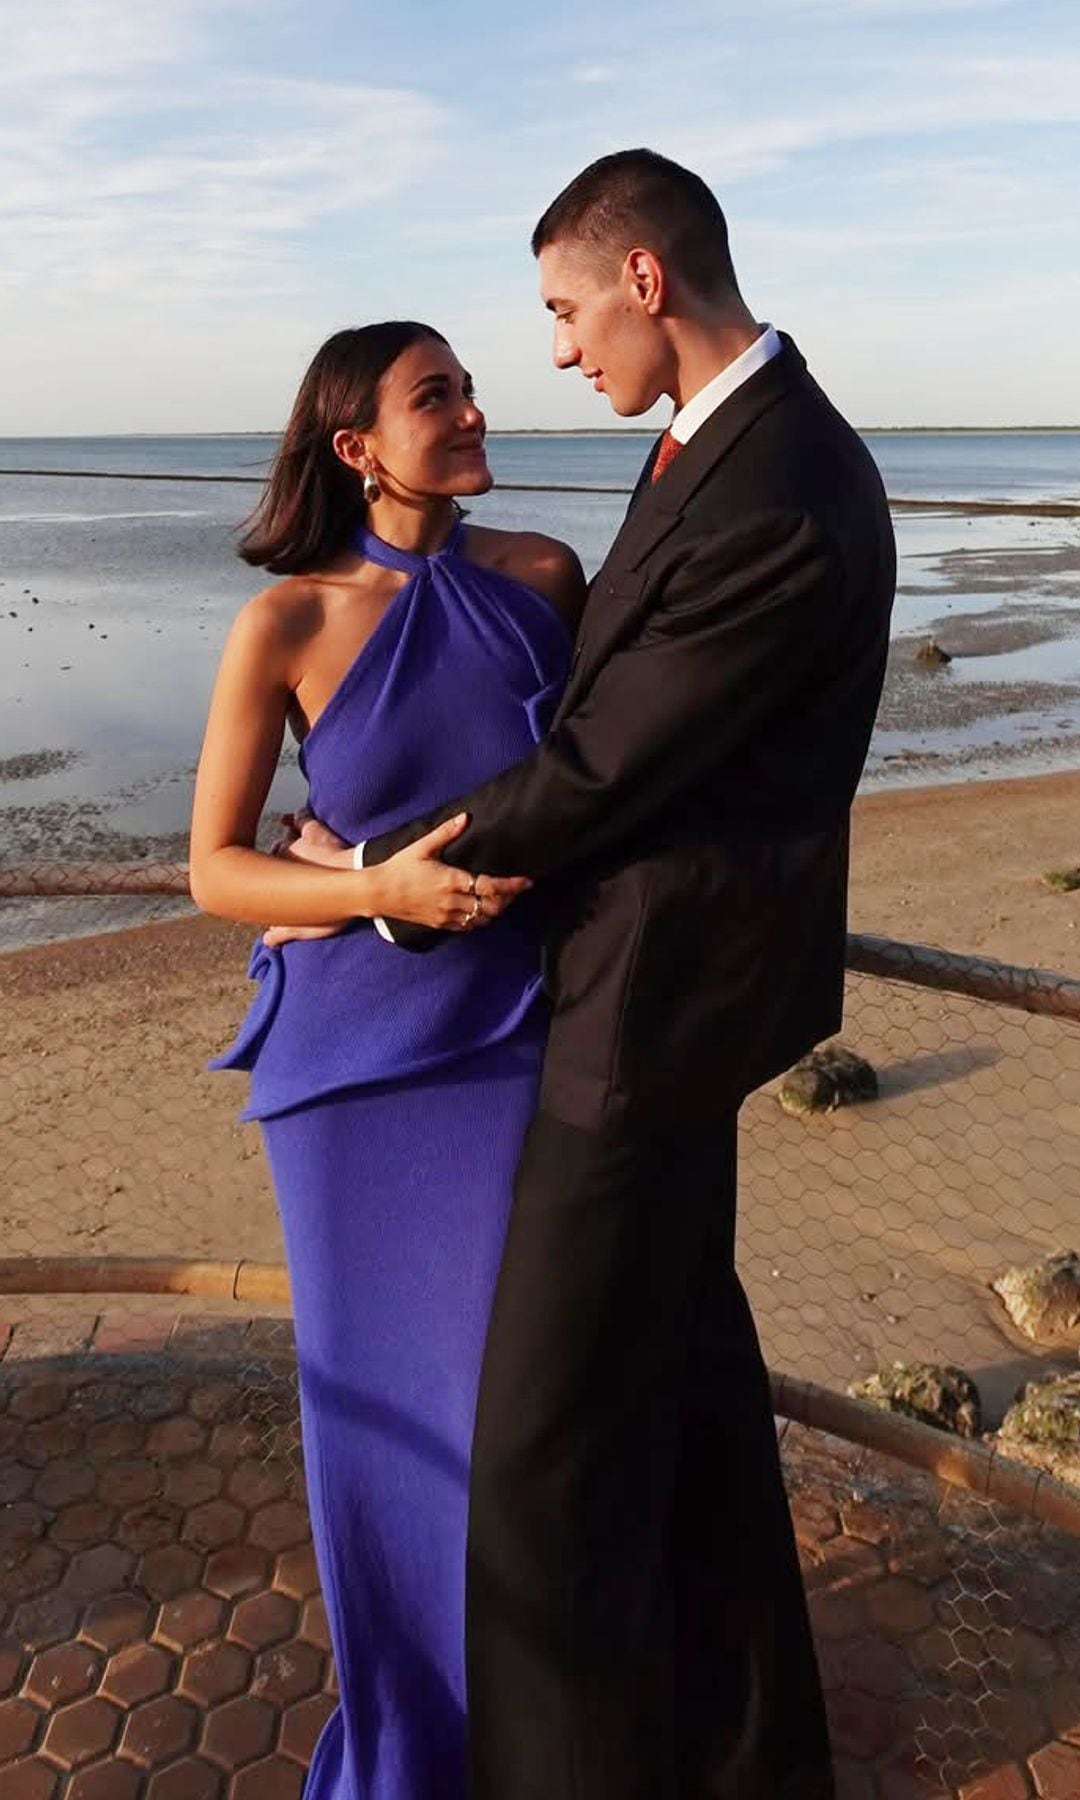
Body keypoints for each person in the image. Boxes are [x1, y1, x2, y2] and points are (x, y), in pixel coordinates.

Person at [288, 150, 897, 1797]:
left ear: (643, 282)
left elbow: (598, 769)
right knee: (696, 1418)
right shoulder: (723, 445)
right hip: (660, 1003)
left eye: (563, 312)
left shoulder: (779, 482)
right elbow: (592, 731)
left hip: (646, 1021)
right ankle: (762, 1761)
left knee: (537, 1472)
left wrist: (381, 887)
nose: (555, 356)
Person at [188, 319, 585, 1800]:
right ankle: (413, 1752)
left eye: (470, 388)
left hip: (511, 1052)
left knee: (511, 1422)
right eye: (439, 399)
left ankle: (533, 1736)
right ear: (357, 446)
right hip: (349, 1083)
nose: (476, 411)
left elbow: (604, 780)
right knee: (383, 1441)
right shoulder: (285, 624)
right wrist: (369, 886)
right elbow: (217, 870)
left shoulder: (543, 580)